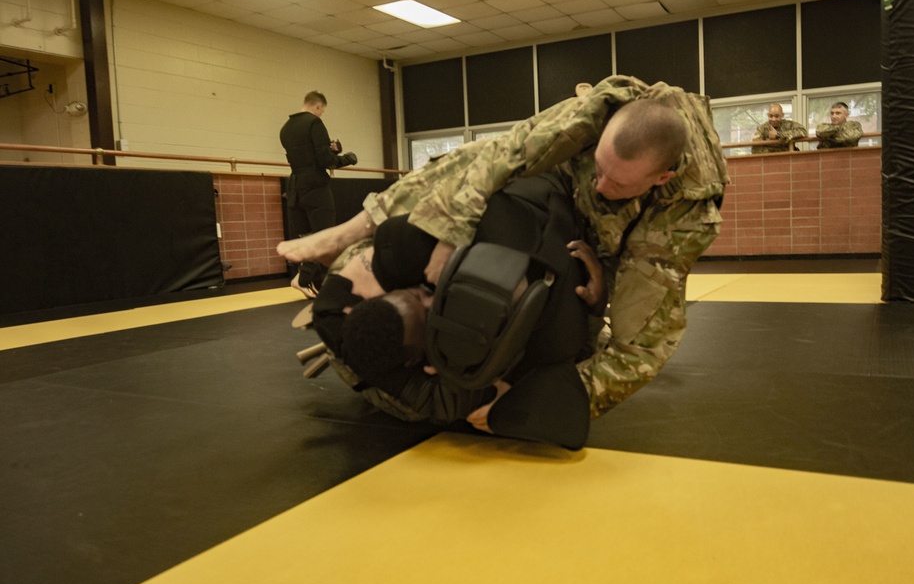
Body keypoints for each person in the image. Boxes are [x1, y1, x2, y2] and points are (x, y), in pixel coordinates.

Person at [279, 74, 729, 422]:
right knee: (480, 156)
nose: (602, 183)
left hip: (593, 244)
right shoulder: (596, 113)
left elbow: (640, 352)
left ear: (662, 178)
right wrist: (450, 231)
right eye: (599, 169)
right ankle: (354, 224)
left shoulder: (681, 220)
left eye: (618, 183)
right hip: (546, 193)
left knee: (578, 338)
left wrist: (529, 405)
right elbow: (502, 158)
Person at [303, 173, 604, 449]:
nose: (432, 299)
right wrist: (503, 404)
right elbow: (553, 408)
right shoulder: (436, 389)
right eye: (428, 314)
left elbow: (486, 197)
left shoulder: (398, 250)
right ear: (423, 364)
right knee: (440, 412)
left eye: (418, 295)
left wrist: (445, 239)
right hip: (413, 369)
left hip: (379, 281)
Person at [279, 90, 358, 298]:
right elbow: (325, 161)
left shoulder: (285, 128)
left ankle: (314, 283)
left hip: (295, 187)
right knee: (325, 237)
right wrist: (346, 159)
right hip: (315, 188)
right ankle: (302, 279)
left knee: (307, 236)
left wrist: (330, 150)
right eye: (322, 111)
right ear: (318, 106)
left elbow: (308, 156)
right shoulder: (314, 123)